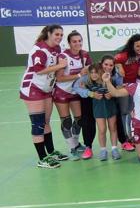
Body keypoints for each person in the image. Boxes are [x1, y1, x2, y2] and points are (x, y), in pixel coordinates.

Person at [20, 25, 69, 168]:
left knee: (46, 121)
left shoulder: (57, 49)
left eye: (61, 35)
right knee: (38, 123)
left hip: (46, 88)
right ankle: (42, 158)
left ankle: (51, 152)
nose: (59, 37)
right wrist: (60, 65)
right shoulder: (39, 50)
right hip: (33, 88)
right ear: (48, 33)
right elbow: (39, 70)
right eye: (57, 34)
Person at [53, 30, 92, 160]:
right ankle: (71, 148)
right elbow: (59, 78)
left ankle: (75, 143)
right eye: (74, 41)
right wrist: (79, 75)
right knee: (66, 121)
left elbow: (90, 73)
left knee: (79, 119)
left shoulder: (85, 55)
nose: (77, 43)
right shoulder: (63, 56)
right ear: (69, 43)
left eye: (79, 41)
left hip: (75, 92)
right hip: (62, 91)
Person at [74, 63, 121, 161]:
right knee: (102, 129)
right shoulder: (89, 83)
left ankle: (114, 149)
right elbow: (76, 87)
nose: (94, 75)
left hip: (110, 106)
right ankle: (103, 150)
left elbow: (119, 87)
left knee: (113, 128)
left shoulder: (110, 80)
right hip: (98, 108)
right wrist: (88, 92)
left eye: (96, 72)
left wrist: (112, 94)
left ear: (101, 72)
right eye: (91, 73)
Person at [114, 34, 140, 152]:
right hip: (123, 89)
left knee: (132, 112)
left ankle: (132, 137)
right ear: (132, 46)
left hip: (135, 88)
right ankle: (125, 139)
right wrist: (118, 66)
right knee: (124, 113)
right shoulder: (124, 55)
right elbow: (114, 59)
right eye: (137, 46)